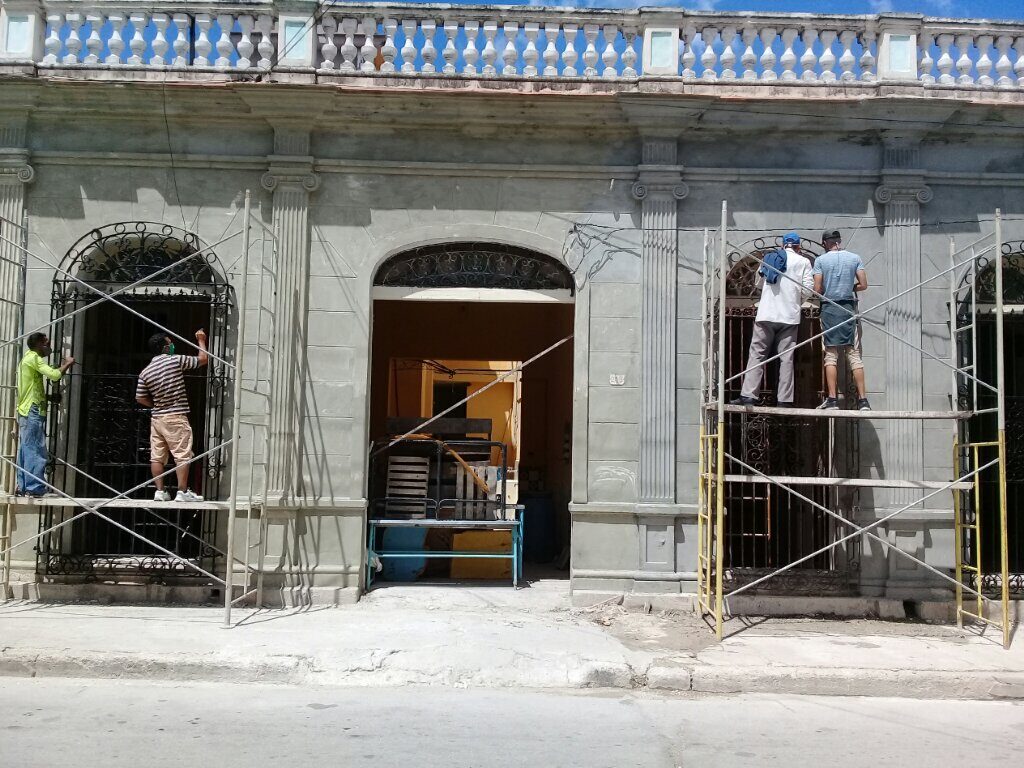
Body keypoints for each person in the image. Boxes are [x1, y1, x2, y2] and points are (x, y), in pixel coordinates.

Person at [731, 232, 813, 408]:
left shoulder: (769, 258)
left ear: (783, 245)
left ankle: (749, 396)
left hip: (766, 314)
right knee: (786, 358)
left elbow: (758, 283)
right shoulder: (803, 262)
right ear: (798, 247)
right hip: (789, 317)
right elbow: (808, 289)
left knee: (757, 355)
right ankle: (784, 400)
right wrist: (796, 302)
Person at [136, 329, 208, 501]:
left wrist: (155, 405)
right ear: (164, 347)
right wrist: (201, 340)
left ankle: (159, 491)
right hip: (176, 415)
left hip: (157, 418)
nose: (172, 345)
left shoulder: (145, 372)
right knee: (182, 454)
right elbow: (203, 359)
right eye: (170, 343)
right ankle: (182, 492)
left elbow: (139, 397)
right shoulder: (175, 361)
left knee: (157, 456)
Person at [813, 230, 870, 411]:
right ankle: (863, 401)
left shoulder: (821, 261)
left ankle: (832, 399)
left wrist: (827, 289)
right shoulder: (854, 258)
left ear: (824, 243)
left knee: (831, 355)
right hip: (848, 309)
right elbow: (863, 284)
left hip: (829, 308)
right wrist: (849, 287)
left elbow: (817, 288)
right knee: (854, 355)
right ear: (839, 241)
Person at [16, 333, 74, 496]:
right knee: (36, 448)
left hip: (26, 408)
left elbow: (31, 387)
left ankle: (23, 486)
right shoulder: (34, 358)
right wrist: (67, 364)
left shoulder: (26, 359)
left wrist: (48, 397)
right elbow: (54, 375)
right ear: (40, 344)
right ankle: (35, 488)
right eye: (47, 344)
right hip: (32, 410)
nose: (49, 347)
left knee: (26, 448)